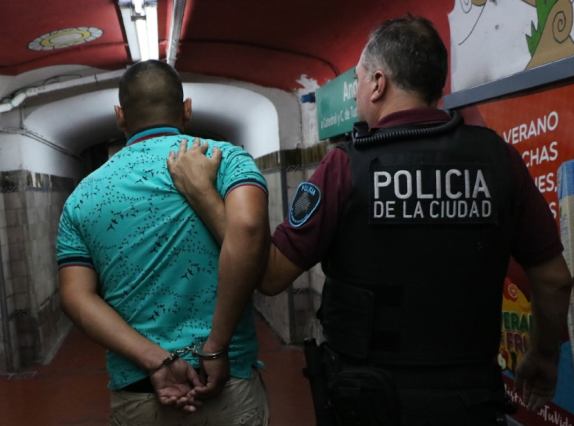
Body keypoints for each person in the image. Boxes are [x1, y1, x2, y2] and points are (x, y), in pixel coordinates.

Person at [167, 16, 573, 426]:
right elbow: (555, 278)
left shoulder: (347, 166)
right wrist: (544, 355)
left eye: (360, 80)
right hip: (471, 399)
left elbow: (271, 275)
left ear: (378, 83)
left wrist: (203, 194)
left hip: (370, 399)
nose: (359, 91)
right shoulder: (497, 159)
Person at [56, 60, 270, 426]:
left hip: (141, 390)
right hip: (228, 381)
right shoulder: (225, 161)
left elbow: (76, 296)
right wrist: (215, 347)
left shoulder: (82, 196)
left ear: (120, 116)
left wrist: (157, 359)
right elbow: (248, 229)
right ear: (186, 109)